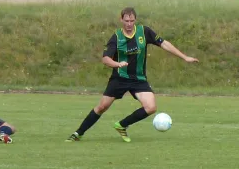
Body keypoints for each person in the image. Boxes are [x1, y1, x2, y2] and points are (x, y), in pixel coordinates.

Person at [65, 7, 199, 142]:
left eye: (132, 21)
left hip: (138, 79)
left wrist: (185, 57)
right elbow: (105, 59)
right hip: (119, 78)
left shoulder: (144, 32)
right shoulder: (116, 37)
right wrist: (117, 64)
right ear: (121, 19)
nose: (129, 24)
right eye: (126, 21)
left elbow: (164, 44)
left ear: (135, 20)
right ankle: (78, 133)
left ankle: (122, 125)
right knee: (102, 107)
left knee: (151, 107)